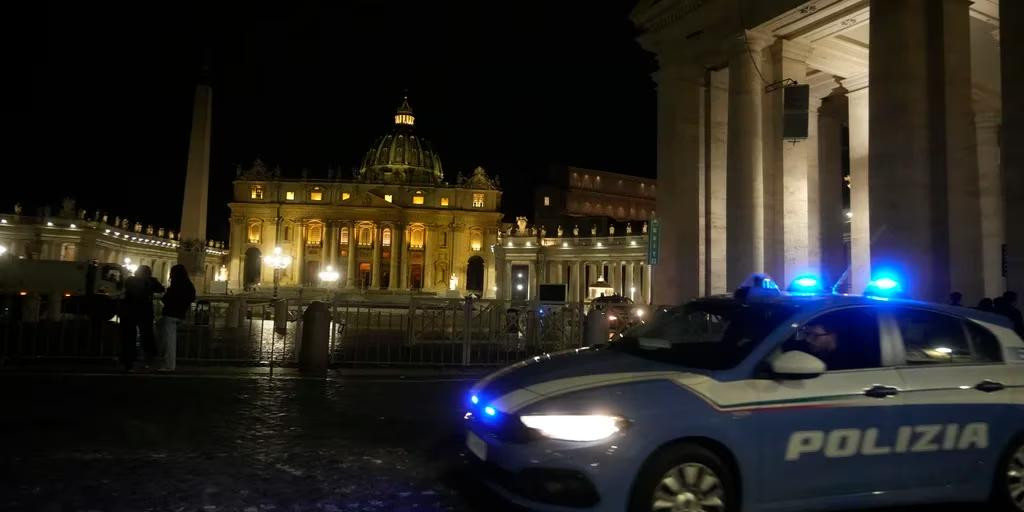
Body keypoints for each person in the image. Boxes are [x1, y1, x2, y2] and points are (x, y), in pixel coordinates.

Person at [119, 265, 165, 371]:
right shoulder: (150, 281)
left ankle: (128, 362)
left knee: (129, 337)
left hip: (129, 311)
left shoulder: (129, 280)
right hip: (145, 311)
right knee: (147, 336)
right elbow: (161, 289)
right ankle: (148, 360)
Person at [158, 264, 195, 371]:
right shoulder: (188, 284)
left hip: (170, 314)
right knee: (170, 340)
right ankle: (168, 364)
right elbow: (192, 296)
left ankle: (168, 365)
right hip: (181, 314)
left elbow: (166, 298)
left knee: (169, 342)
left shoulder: (175, 284)